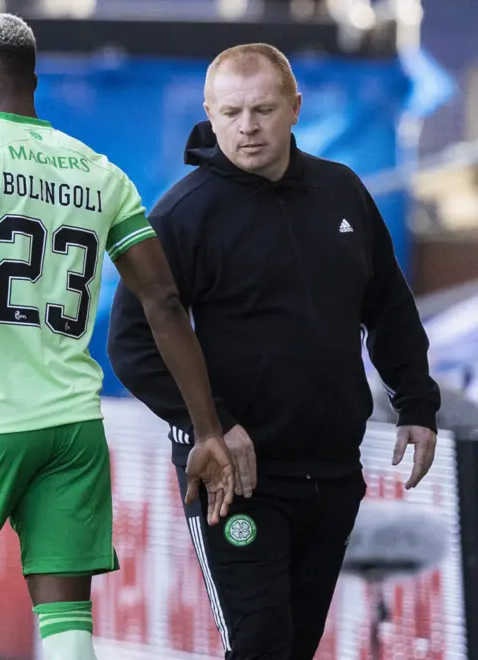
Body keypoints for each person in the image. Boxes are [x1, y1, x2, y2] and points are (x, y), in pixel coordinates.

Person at [0, 13, 235, 660]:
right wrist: (209, 428)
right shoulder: (99, 171)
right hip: (75, 427)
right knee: (65, 617)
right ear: (33, 81)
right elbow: (163, 300)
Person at [108, 43, 441, 660]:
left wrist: (418, 402)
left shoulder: (341, 192)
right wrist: (213, 425)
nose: (247, 126)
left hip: (334, 473)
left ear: (295, 108)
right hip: (236, 478)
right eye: (230, 112)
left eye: (263, 108)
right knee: (260, 643)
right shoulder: (183, 214)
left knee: (294, 647)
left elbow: (389, 306)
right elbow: (131, 344)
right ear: (209, 113)